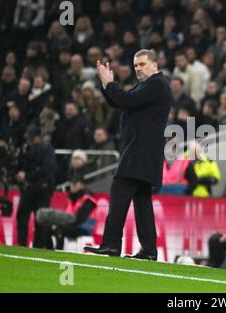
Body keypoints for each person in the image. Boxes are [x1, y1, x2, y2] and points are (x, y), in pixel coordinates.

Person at [84, 49, 172, 260]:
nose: (138, 69)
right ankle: (149, 251)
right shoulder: (147, 86)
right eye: (135, 66)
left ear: (154, 64)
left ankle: (112, 245)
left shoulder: (156, 83)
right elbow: (120, 101)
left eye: (142, 64)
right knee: (142, 200)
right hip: (144, 151)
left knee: (120, 190)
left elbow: (127, 100)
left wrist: (110, 84)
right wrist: (108, 85)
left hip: (140, 151)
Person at [15, 125, 56, 248]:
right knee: (21, 218)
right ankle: (21, 244)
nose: (30, 141)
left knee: (41, 221)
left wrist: (27, 175)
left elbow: (46, 170)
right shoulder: (24, 149)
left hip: (42, 191)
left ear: (39, 137)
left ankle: (38, 247)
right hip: (28, 190)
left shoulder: (47, 149)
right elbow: (19, 166)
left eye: (32, 139)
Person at [36, 174, 97, 250]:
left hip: (83, 228)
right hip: (71, 225)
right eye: (71, 183)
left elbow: (80, 218)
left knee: (58, 229)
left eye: (75, 184)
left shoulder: (88, 200)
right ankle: (48, 250)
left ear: (82, 185)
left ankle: (59, 251)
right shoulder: (71, 199)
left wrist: (61, 224)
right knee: (48, 227)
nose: (72, 186)